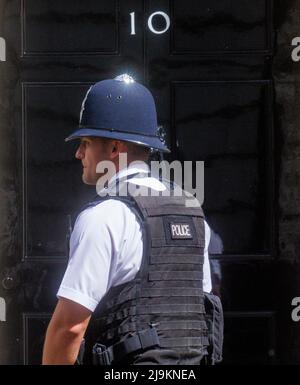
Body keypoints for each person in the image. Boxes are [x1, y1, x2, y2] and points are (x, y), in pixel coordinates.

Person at [42, 74, 223, 365]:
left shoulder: (102, 218)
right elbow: (203, 310)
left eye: (85, 142)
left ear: (114, 148)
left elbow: (70, 328)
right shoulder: (192, 212)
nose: (78, 154)